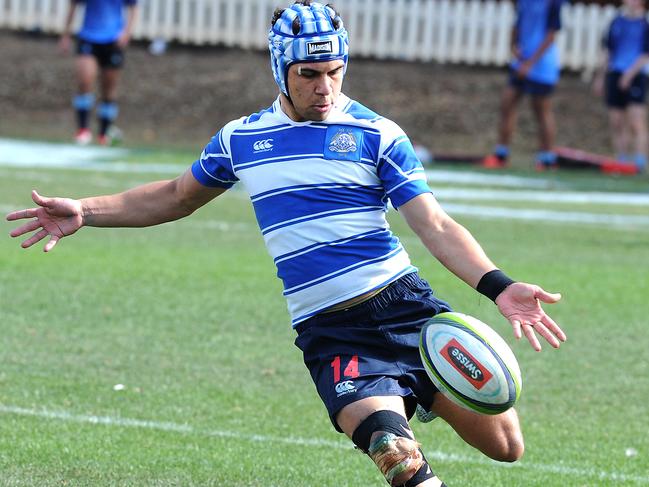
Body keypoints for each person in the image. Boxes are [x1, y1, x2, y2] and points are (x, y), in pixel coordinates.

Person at [7, 2, 567, 485]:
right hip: (331, 330)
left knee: (506, 446)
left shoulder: (378, 134)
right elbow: (175, 196)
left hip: (405, 308)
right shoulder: (243, 138)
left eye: (335, 71)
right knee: (393, 454)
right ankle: (393, 410)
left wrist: (500, 287)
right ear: (281, 70)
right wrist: (86, 210)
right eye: (309, 74)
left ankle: (420, 393)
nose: (325, 88)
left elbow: (436, 226)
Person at [483, 0, 564, 171]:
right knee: (507, 103)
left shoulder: (553, 3)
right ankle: (501, 154)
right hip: (521, 62)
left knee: (541, 110)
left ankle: (547, 158)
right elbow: (518, 24)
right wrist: (513, 46)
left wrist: (531, 64)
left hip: (542, 65)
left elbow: (551, 35)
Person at [58, 0, 138, 146]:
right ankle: (83, 130)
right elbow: (73, 5)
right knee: (85, 81)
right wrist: (66, 35)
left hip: (113, 40)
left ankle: (104, 133)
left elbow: (133, 7)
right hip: (89, 37)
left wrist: (126, 33)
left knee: (108, 90)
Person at [592, 0, 649, 174]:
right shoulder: (616, 22)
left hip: (636, 75)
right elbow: (608, 50)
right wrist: (601, 76)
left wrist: (629, 75)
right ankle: (622, 160)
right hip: (615, 73)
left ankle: (639, 161)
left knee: (636, 121)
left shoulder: (645, 24)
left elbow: (645, 54)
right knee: (616, 121)